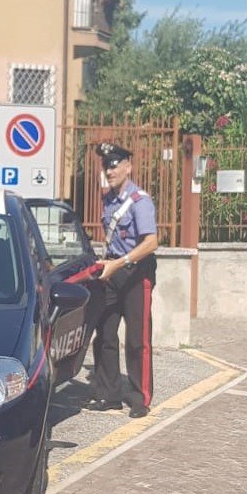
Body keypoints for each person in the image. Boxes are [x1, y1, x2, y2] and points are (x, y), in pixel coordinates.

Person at [85, 142, 158, 419]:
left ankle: (140, 397)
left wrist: (120, 263)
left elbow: (151, 242)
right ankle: (109, 394)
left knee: (138, 338)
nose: (110, 169)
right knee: (105, 332)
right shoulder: (108, 200)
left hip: (136, 272)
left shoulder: (140, 201)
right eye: (106, 165)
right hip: (113, 269)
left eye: (115, 164)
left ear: (128, 166)